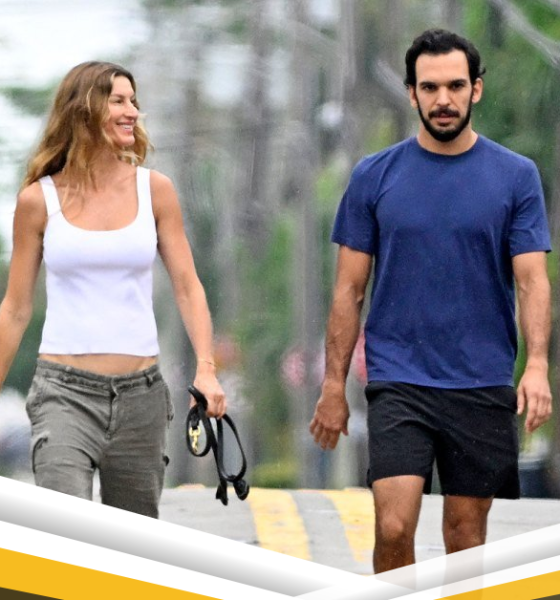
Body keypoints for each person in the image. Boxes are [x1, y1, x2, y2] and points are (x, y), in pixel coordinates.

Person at [310, 29, 552, 573]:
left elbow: (533, 280)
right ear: (411, 93)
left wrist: (536, 365)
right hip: (399, 379)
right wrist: (332, 386)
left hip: (481, 379)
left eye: (455, 86)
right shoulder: (374, 176)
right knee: (393, 526)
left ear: (476, 90)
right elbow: (348, 290)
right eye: (430, 87)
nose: (443, 99)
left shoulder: (516, 176)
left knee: (465, 536)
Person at [0, 61, 226, 518]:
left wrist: (207, 369)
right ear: (84, 110)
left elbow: (188, 287)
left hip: (141, 396)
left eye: (133, 101)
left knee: (132, 538)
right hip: (63, 394)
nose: (132, 112)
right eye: (118, 101)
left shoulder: (155, 190)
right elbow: (15, 309)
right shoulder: (37, 201)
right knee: (64, 529)